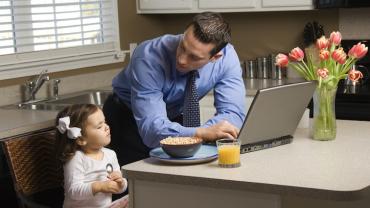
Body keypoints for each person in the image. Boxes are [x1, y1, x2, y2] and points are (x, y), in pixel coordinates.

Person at [104, 12, 246, 166]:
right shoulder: (148, 57)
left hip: (175, 119)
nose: (182, 59)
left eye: (194, 57)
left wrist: (203, 133)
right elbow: (152, 130)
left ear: (215, 57)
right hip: (128, 119)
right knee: (133, 182)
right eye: (182, 47)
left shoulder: (226, 57)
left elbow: (232, 113)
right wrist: (202, 133)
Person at [55, 104, 129, 208]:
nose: (107, 127)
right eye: (99, 126)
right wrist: (99, 186)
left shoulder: (110, 154)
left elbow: (119, 188)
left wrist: (120, 183)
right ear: (81, 139)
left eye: (105, 122)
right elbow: (73, 191)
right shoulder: (76, 158)